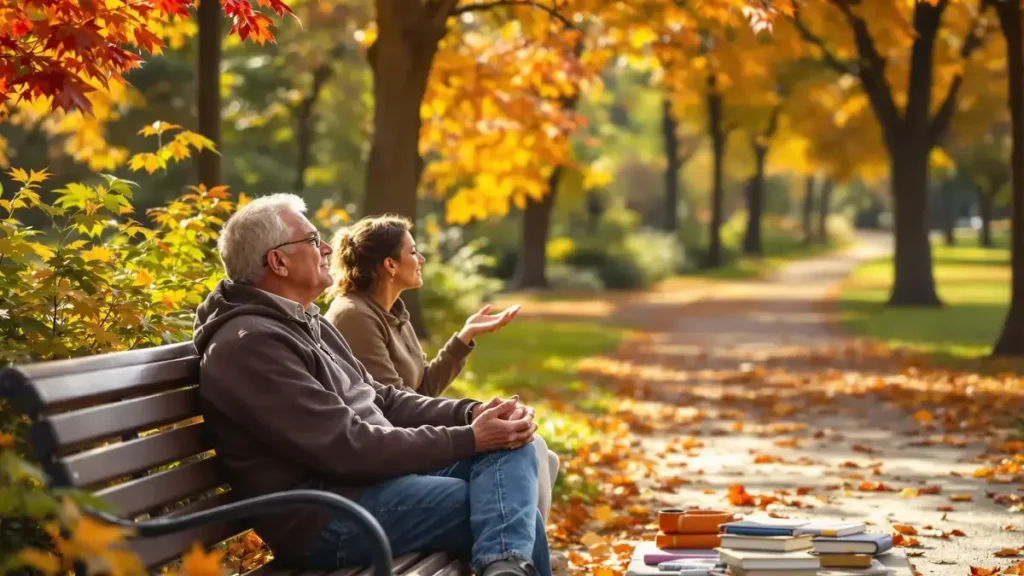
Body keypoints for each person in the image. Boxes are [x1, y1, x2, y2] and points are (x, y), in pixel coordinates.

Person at [192, 193, 551, 576]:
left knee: (514, 449)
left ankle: (506, 569)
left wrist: (472, 413)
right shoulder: (253, 345)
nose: (328, 247)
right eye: (313, 241)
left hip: (371, 485)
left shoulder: (305, 323)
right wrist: (471, 437)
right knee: (498, 505)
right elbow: (349, 447)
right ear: (278, 261)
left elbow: (385, 400)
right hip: (326, 516)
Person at [322, 214, 561, 523]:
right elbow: (392, 407)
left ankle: (527, 549)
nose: (420, 259)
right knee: (530, 448)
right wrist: (469, 424)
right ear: (390, 265)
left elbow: (423, 389)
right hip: (400, 452)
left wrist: (465, 336)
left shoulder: (393, 313)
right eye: (412, 251)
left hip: (415, 437)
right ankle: (526, 554)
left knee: (545, 458)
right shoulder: (354, 316)